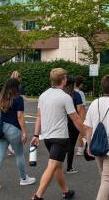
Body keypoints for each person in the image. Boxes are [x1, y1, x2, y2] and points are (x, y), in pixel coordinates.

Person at [30, 68, 84, 200]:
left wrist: (36, 135)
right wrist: (86, 133)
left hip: (47, 137)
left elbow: (39, 117)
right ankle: (37, 196)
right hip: (60, 137)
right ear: (63, 80)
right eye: (65, 77)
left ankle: (66, 192)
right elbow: (75, 118)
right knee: (53, 165)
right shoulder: (65, 97)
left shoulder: (43, 95)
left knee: (57, 166)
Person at [0, 78, 36, 190]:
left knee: (0, 154)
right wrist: (25, 132)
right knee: (19, 154)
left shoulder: (1, 97)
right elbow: (20, 117)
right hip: (14, 129)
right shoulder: (18, 99)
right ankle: (23, 179)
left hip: (2, 128)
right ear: (16, 87)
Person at [64, 76, 85, 174]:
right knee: (71, 145)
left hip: (61, 122)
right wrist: (82, 122)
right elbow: (80, 109)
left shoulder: (61, 94)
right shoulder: (76, 95)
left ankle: (56, 165)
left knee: (61, 144)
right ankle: (69, 167)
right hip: (73, 122)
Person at [74, 76, 87, 156]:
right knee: (80, 132)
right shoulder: (80, 93)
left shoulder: (69, 92)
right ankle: (80, 149)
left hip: (70, 115)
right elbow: (82, 107)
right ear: (81, 84)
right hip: (78, 115)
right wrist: (84, 118)